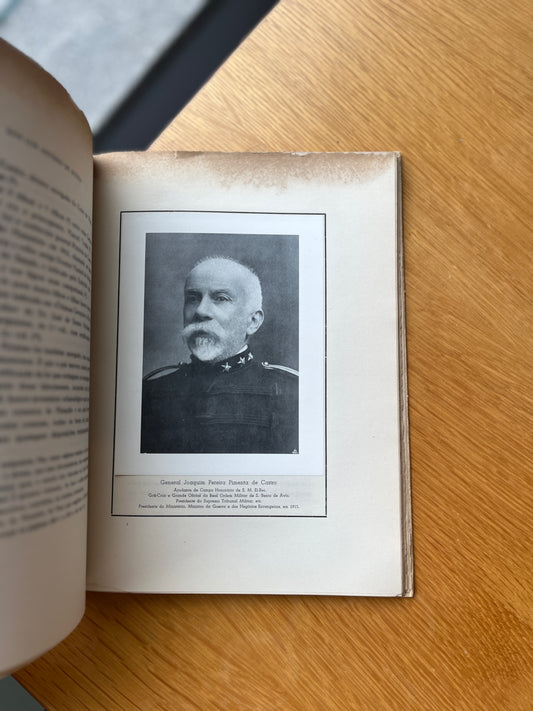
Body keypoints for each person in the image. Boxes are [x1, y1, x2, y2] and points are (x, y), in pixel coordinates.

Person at [141, 256, 298, 454]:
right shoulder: (150, 393)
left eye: (221, 298)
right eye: (193, 298)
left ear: (253, 321)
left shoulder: (292, 393)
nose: (200, 311)